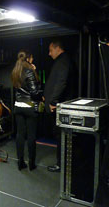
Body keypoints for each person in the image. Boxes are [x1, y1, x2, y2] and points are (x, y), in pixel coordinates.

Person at [44, 39, 75, 172]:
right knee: (60, 136)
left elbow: (62, 82)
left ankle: (61, 165)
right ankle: (62, 163)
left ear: (57, 48)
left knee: (61, 136)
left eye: (51, 50)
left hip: (58, 106)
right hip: (57, 105)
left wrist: (53, 102)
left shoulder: (63, 61)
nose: (49, 53)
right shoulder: (62, 61)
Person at [11, 50, 43, 171]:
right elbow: (34, 92)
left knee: (20, 134)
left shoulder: (15, 71)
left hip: (18, 106)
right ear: (28, 59)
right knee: (31, 135)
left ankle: (20, 162)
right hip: (30, 106)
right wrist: (34, 71)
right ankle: (31, 163)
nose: (33, 60)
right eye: (32, 58)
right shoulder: (29, 71)